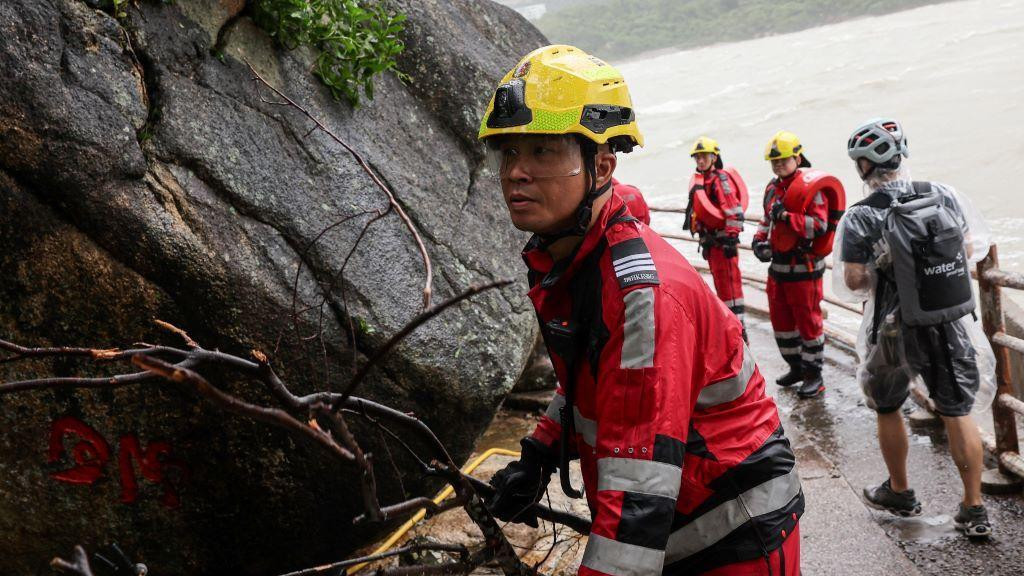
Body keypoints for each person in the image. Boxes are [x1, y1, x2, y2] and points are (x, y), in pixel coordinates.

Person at [479, 44, 803, 576]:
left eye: (543, 151)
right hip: (679, 520)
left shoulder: (643, 296)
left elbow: (638, 491)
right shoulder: (573, 257)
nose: (516, 171)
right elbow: (594, 381)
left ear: (602, 166)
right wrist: (539, 455)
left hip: (732, 532)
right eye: (509, 153)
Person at [833, 118, 996, 538]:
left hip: (894, 328)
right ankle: (974, 507)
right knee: (958, 410)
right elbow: (971, 247)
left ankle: (900, 491)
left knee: (887, 406)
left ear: (864, 167)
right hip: (948, 321)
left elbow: (852, 282)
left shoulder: (860, 216)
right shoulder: (943, 194)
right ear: (902, 155)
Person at [751, 131, 829, 398]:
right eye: (774, 162)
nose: (778, 165)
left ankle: (814, 376)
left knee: (809, 324)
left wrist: (786, 216)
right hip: (778, 269)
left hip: (804, 269)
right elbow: (766, 220)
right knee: (781, 323)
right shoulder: (772, 188)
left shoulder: (811, 188)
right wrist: (759, 241)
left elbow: (818, 226)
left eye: (783, 160)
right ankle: (796, 368)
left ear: (797, 157)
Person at [684, 136, 747, 329]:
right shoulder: (704, 181)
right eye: (697, 157)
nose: (700, 160)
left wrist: (731, 239)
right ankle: (731, 328)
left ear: (714, 157)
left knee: (731, 291)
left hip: (723, 246)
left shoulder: (719, 180)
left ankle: (739, 330)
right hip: (712, 246)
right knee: (722, 288)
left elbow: (734, 211)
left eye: (704, 156)